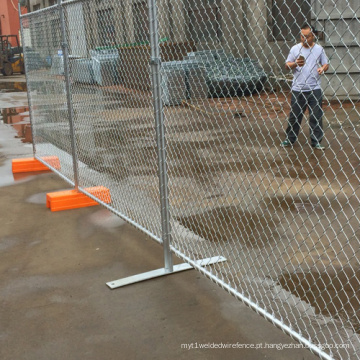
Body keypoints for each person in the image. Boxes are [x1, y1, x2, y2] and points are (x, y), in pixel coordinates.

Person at [281, 24, 329, 150]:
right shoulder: (295, 49)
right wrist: (295, 64)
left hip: (314, 88)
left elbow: (326, 64)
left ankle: (316, 141)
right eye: (302, 36)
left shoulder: (319, 49)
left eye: (307, 36)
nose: (304, 39)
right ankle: (289, 139)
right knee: (295, 116)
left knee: (316, 116)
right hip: (298, 88)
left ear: (313, 35)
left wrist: (322, 69)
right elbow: (287, 65)